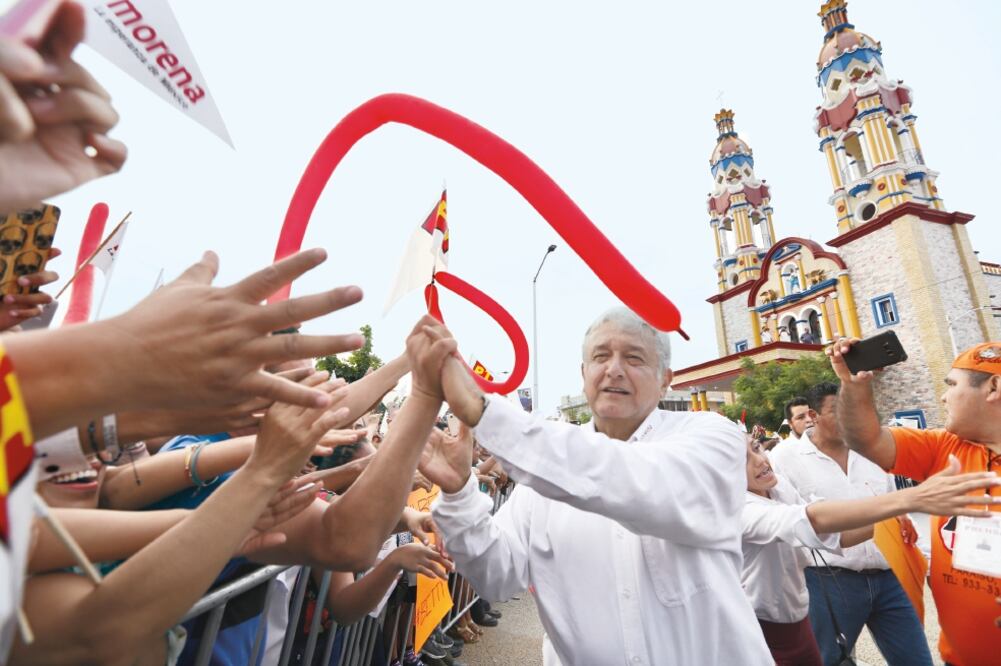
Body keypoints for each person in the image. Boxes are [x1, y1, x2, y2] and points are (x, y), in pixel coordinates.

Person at [419, 307, 773, 665]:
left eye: (634, 358)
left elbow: (640, 484)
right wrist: (459, 491)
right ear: (583, 373)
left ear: (666, 379)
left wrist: (487, 415)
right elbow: (494, 577)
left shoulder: (712, 436)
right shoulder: (542, 477)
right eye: (600, 356)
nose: (614, 369)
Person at [742, 434, 1000, 665]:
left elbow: (836, 533)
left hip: (796, 616)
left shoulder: (776, 487)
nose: (759, 460)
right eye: (742, 459)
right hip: (764, 625)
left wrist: (890, 518)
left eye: (756, 447)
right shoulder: (737, 509)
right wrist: (912, 498)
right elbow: (812, 521)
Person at [830, 338, 1001, 666]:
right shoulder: (945, 447)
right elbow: (866, 440)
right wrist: (852, 387)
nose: (943, 395)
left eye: (951, 384)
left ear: (993, 387)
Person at [774, 382, 931, 666]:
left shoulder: (873, 449)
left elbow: (893, 503)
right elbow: (790, 526)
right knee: (827, 660)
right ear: (813, 415)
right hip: (829, 583)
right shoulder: (785, 459)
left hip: (888, 577)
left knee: (916, 659)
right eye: (839, 411)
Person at [770, 396, 815, 467]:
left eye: (811, 414)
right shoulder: (780, 454)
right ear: (790, 423)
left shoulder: (829, 444)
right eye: (801, 417)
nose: (809, 419)